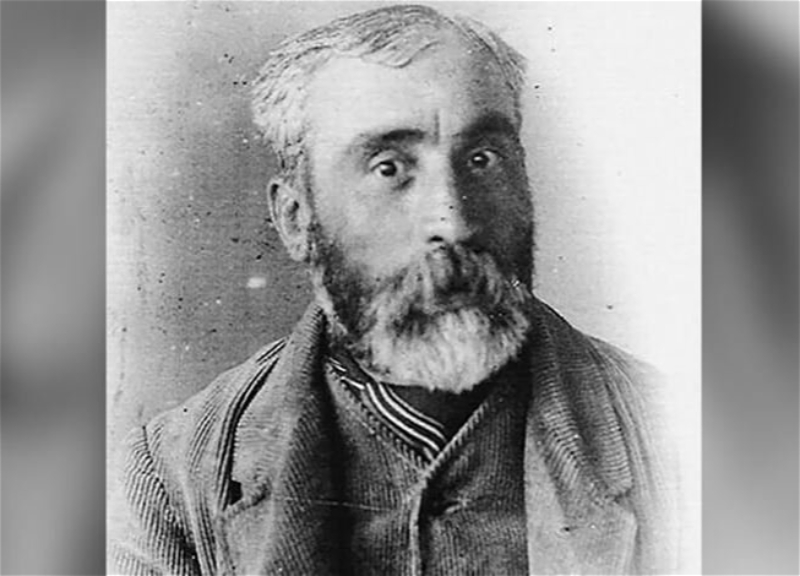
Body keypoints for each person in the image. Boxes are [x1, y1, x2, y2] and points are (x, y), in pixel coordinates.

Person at [108, 5, 681, 574]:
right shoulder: (167, 481)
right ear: (296, 218)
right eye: (390, 169)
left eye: (481, 159)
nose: (453, 222)